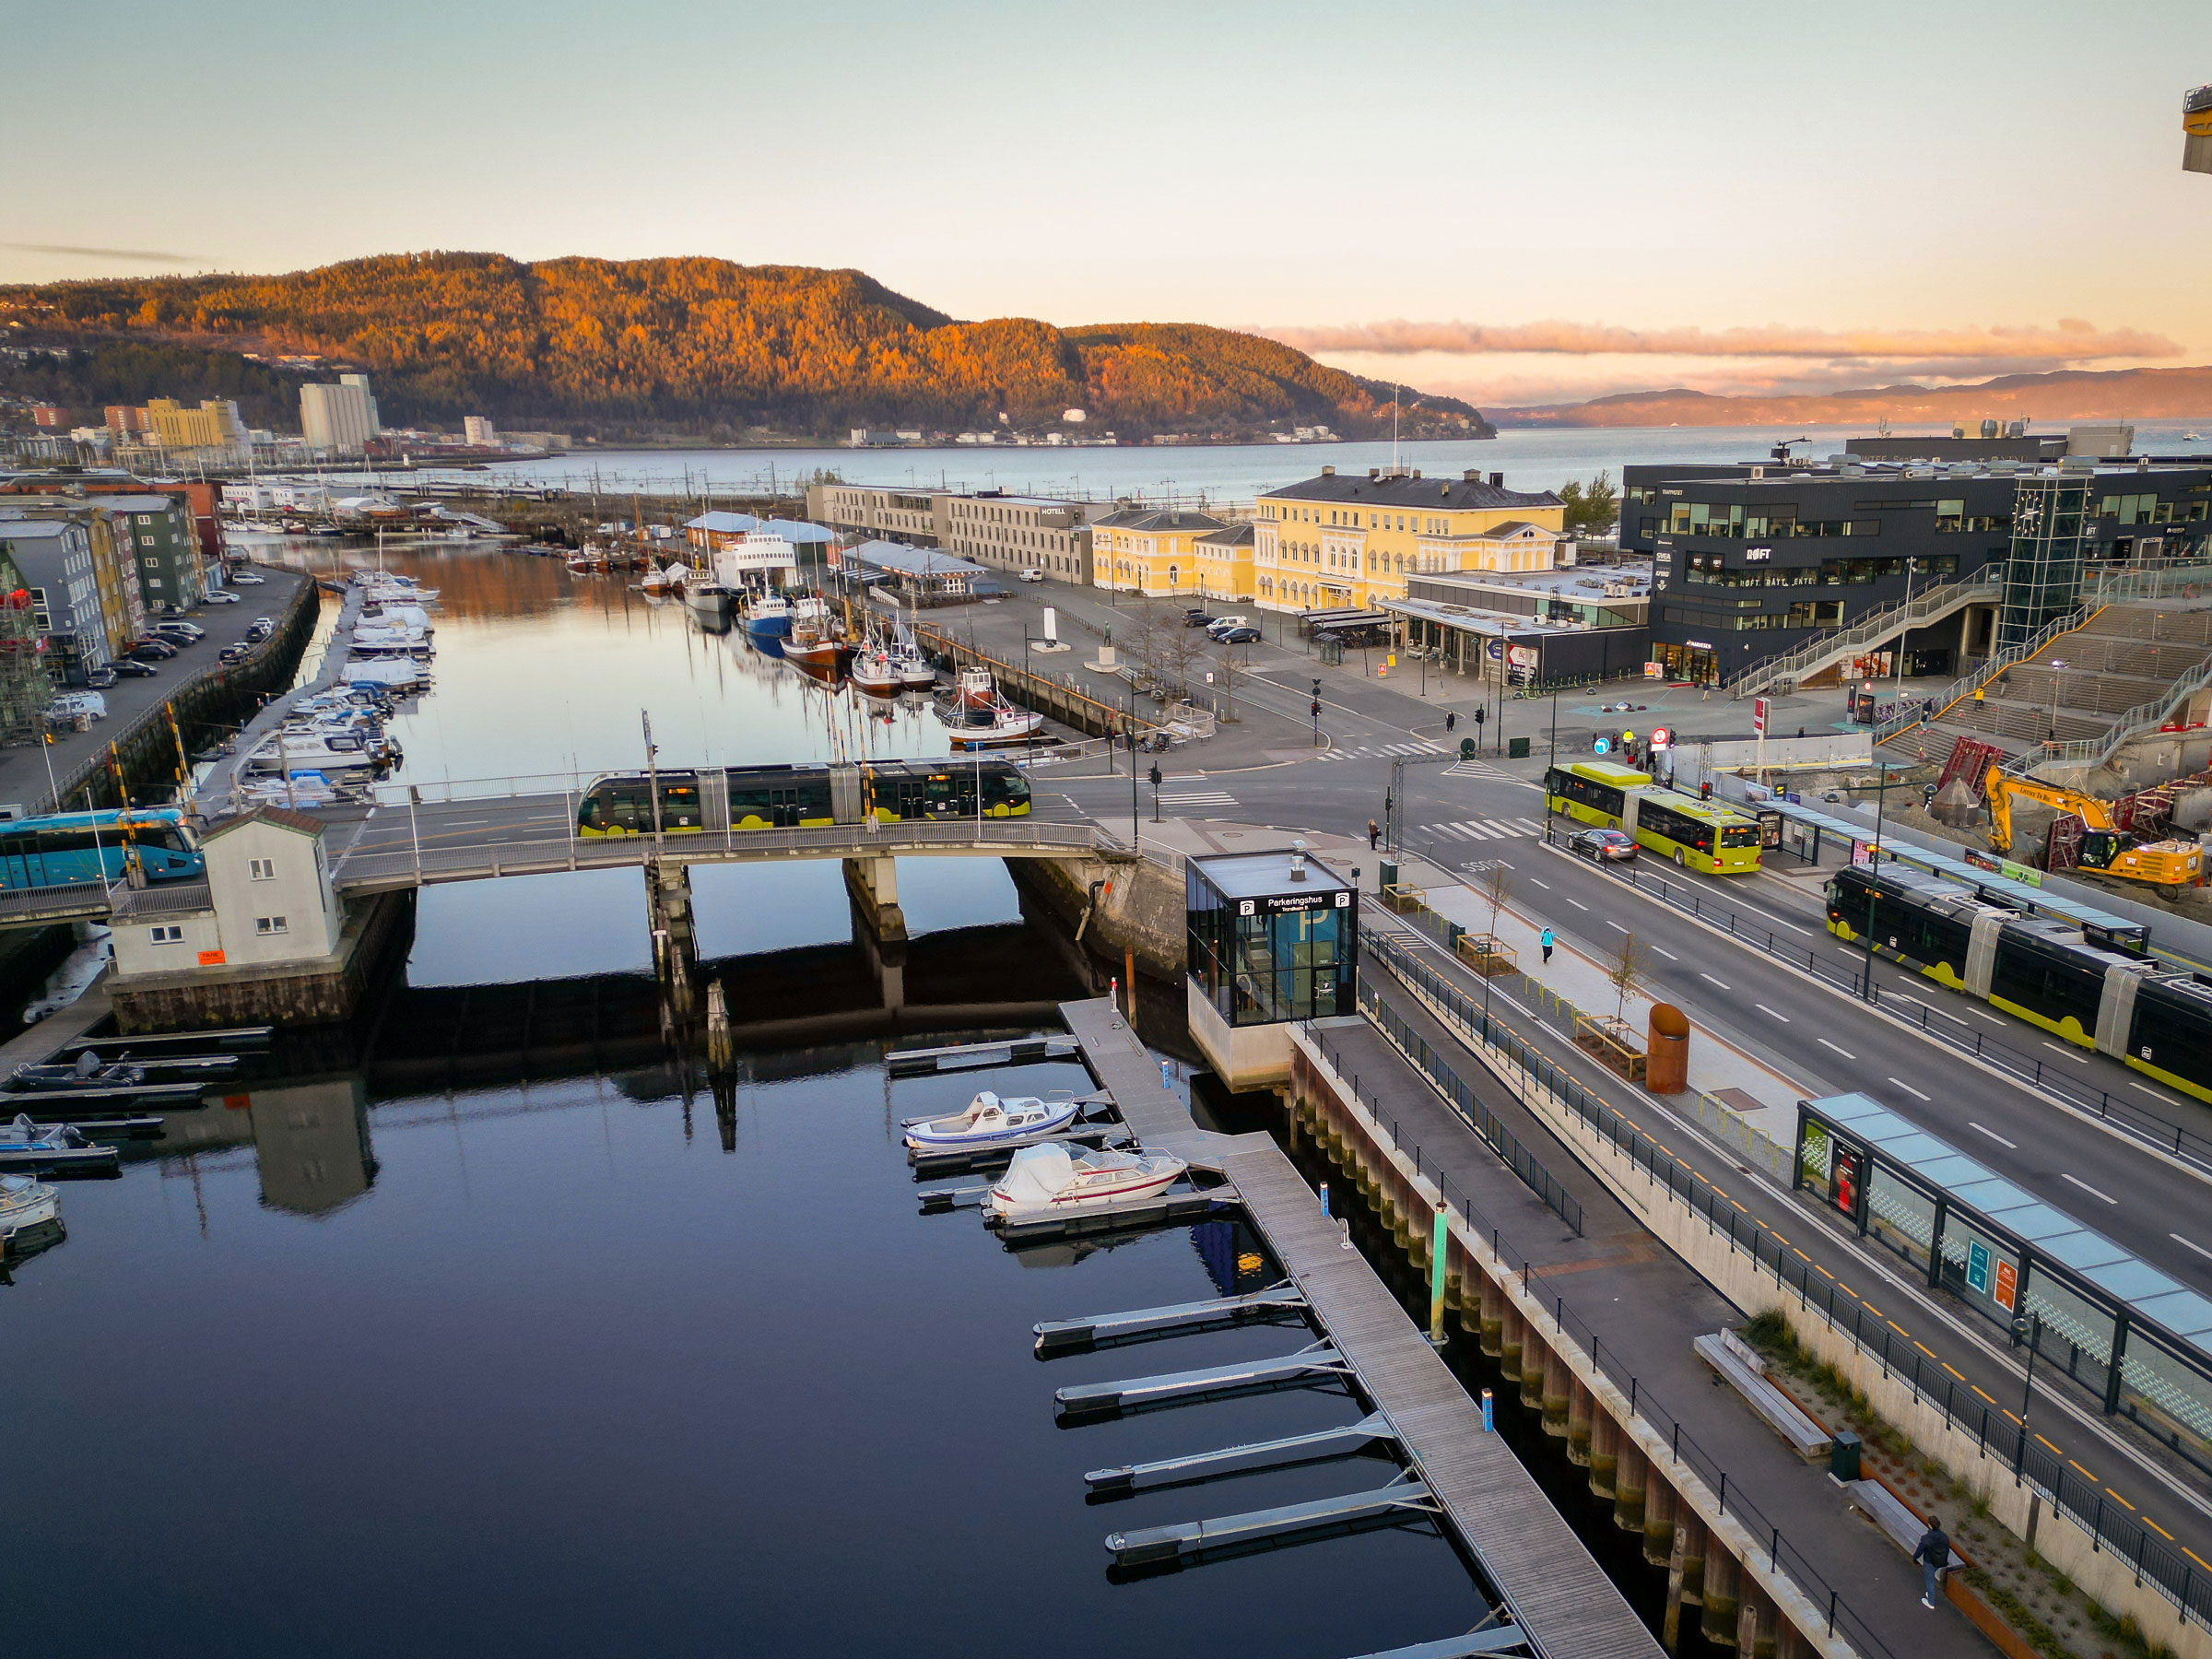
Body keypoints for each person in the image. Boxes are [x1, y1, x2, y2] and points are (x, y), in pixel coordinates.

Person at [1913, 1516, 1950, 1608]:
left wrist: (1914, 1558)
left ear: (1930, 1526)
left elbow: (1919, 1551)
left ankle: (1931, 1602)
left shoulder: (1926, 1539)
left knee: (1930, 1581)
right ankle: (1930, 1594)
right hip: (1941, 1561)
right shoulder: (1944, 1536)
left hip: (1929, 1562)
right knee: (1932, 1576)